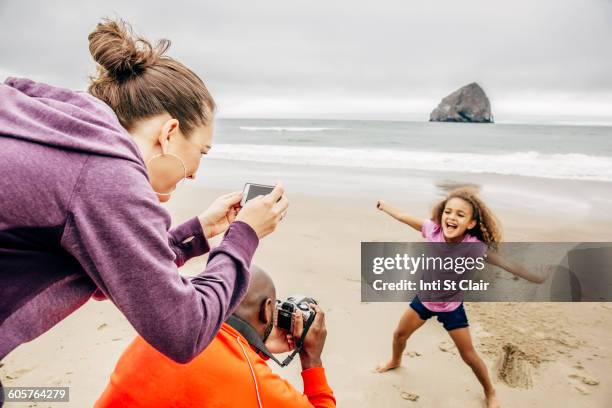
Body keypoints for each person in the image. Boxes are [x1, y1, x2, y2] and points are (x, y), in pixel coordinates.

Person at [0, 18, 289, 403]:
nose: (196, 171)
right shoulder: (103, 173)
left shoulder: (54, 128)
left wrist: (197, 233)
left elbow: (116, 271)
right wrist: (244, 237)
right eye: (201, 151)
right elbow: (184, 330)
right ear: (169, 132)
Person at [374, 188, 548, 408]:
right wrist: (384, 204)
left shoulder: (473, 247)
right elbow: (402, 216)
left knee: (469, 355)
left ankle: (490, 392)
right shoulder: (432, 230)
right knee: (399, 335)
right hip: (424, 300)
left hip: (451, 307)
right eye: (448, 211)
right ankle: (395, 360)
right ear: (441, 214)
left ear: (471, 223)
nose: (452, 217)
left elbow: (507, 264)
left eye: (460, 214)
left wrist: (537, 277)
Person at [95, 266, 335, 407]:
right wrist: (311, 359)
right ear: (267, 309)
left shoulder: (160, 333)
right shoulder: (250, 378)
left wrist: (258, 347)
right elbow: (237, 378)